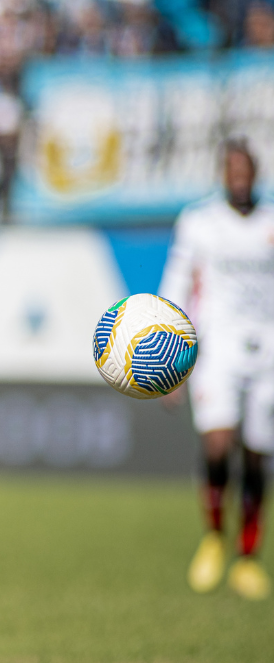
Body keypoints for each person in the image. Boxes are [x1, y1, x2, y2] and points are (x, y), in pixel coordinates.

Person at [161, 139, 274, 601]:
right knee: (217, 444)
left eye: (246, 168)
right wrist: (170, 357)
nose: (239, 176)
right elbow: (178, 284)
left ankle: (247, 556)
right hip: (217, 348)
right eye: (232, 169)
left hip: (267, 351)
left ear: (256, 172)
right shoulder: (200, 222)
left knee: (255, 454)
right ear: (223, 174)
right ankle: (213, 536)